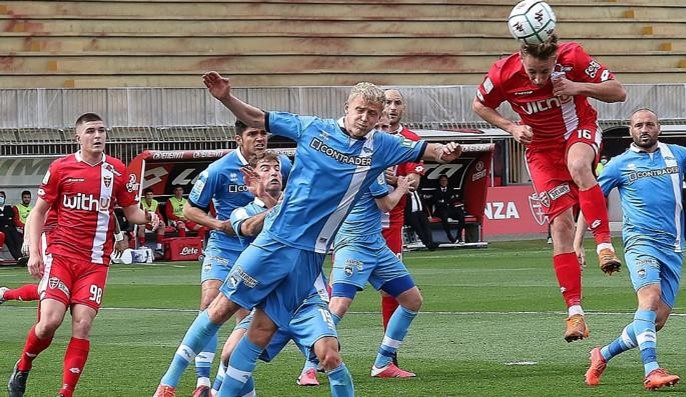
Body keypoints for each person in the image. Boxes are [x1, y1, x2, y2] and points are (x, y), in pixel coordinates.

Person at [153, 72, 461, 397]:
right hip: (275, 240)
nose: (364, 118)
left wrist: (446, 151)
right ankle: (168, 383)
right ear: (347, 107)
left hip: (310, 257)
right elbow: (258, 117)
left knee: (262, 331)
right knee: (218, 309)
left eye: (372, 113)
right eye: (360, 110)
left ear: (378, 116)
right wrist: (226, 98)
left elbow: (428, 150)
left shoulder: (383, 146)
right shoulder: (314, 128)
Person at [473, 33, 627, 342]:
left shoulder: (574, 56)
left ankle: (604, 244)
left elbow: (618, 92)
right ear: (521, 57)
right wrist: (512, 127)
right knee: (560, 227)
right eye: (533, 72)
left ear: (556, 58)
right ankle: (575, 313)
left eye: (546, 70)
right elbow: (479, 105)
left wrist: (578, 87)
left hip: (577, 129)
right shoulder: (502, 72)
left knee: (580, 166)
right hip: (541, 151)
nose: (540, 78)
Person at [7, 113, 156, 397]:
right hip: (61, 255)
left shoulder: (117, 170)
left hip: (95, 262)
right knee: (49, 323)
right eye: (91, 131)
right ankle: (24, 364)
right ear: (78, 137)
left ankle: (66, 392)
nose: (98, 135)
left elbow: (131, 212)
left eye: (102, 130)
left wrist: (148, 217)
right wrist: (35, 252)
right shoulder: (61, 168)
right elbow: (38, 211)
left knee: (83, 324)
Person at [584, 109, 686, 390]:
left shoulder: (678, 154)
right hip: (640, 242)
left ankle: (603, 354)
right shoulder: (618, 164)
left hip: (673, 247)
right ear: (630, 130)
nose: (644, 129)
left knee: (656, 321)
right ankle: (652, 370)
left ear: (658, 127)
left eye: (649, 124)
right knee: (649, 299)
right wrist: (585, 243)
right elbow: (590, 201)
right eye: (638, 125)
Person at [172, 121, 293, 397]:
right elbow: (190, 211)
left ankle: (221, 384)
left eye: (263, 133)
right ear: (239, 139)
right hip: (225, 243)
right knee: (210, 303)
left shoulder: (280, 165)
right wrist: (218, 224)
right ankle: (202, 382)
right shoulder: (218, 169)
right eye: (253, 134)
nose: (260, 138)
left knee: (245, 318)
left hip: (259, 247)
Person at [211, 151, 326, 395]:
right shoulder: (242, 211)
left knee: (330, 357)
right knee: (230, 354)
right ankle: (208, 386)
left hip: (306, 301)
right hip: (268, 303)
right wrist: (275, 204)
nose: (274, 172)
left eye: (277, 168)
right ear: (251, 178)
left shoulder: (301, 205)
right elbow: (250, 228)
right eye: (266, 169)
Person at [329, 163, 422, 378]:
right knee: (339, 304)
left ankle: (383, 362)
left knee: (412, 300)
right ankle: (310, 364)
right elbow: (386, 205)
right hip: (354, 244)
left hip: (376, 245)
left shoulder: (365, 165)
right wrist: (400, 186)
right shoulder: (370, 164)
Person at [378, 89, 426, 352]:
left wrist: (392, 180)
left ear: (403, 108)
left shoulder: (410, 141)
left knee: (392, 290)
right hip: (356, 225)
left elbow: (413, 182)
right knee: (339, 295)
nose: (392, 107)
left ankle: (388, 355)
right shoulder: (364, 138)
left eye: (397, 103)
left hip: (391, 223)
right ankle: (314, 357)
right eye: (387, 102)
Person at [430, 175, 466, 244]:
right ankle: (449, 236)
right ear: (439, 182)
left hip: (450, 209)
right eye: (442, 181)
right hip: (441, 210)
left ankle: (459, 236)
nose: (443, 182)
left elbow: (453, 200)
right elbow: (436, 202)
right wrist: (447, 201)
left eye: (445, 180)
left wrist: (444, 201)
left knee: (461, 215)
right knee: (444, 216)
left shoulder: (451, 189)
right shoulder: (436, 191)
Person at [0, 191, 24, 259]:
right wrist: (6, 218)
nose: (0, 198)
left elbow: (11, 218)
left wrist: (4, 218)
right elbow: (7, 219)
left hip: (12, 228)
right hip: (2, 229)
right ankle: (17, 257)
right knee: (10, 241)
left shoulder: (8, 208)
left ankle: (20, 256)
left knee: (18, 240)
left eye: (2, 197)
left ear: (4, 198)